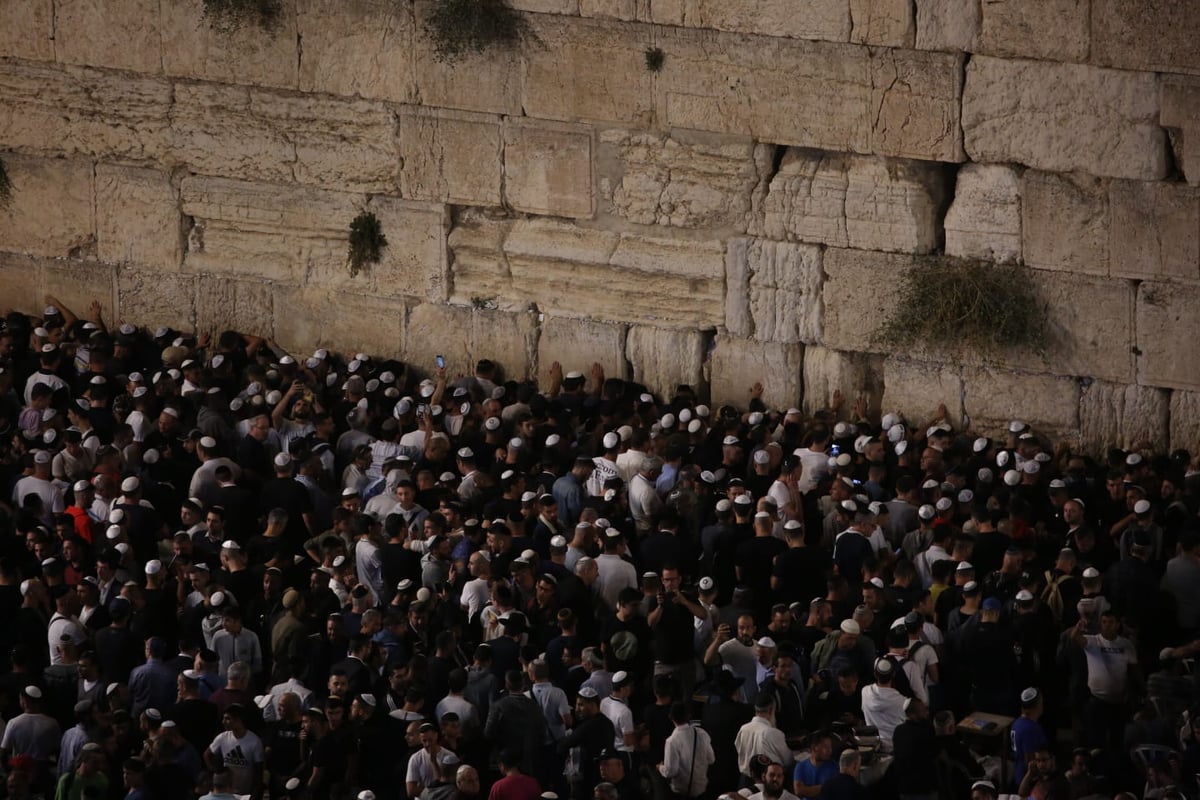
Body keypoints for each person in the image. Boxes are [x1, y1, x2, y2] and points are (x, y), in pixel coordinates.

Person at [658, 702, 715, 800]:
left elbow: (671, 772)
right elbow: (711, 759)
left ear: (670, 717)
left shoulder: (672, 741)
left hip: (681, 793)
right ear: (688, 716)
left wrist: (660, 767)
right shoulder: (702, 733)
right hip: (702, 790)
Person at [792, 731, 838, 798]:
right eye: (826, 747)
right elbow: (799, 791)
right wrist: (825, 787)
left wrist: (807, 789)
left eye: (830, 747)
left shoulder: (834, 766)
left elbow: (835, 790)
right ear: (814, 748)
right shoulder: (800, 766)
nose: (830, 750)